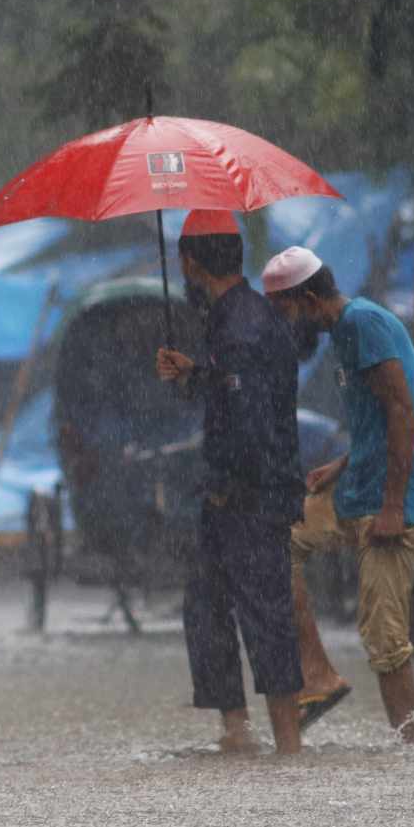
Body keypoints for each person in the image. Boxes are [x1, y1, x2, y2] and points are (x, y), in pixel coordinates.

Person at [262, 246, 414, 744]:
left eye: (285, 310)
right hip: (357, 485)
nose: (284, 323)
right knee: (278, 541)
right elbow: (377, 414)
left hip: (393, 499)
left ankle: (412, 751)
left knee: (384, 636)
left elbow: (403, 409)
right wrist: (340, 465)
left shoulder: (364, 323)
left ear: (310, 297)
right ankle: (318, 674)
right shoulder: (342, 333)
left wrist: (393, 506)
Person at [154, 214, 307, 755]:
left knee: (266, 618)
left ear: (190, 263)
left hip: (249, 501)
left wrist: (237, 492)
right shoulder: (236, 317)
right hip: (233, 500)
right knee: (206, 610)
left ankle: (288, 744)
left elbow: (250, 420)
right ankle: (238, 733)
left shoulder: (241, 326)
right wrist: (194, 374)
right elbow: (235, 391)